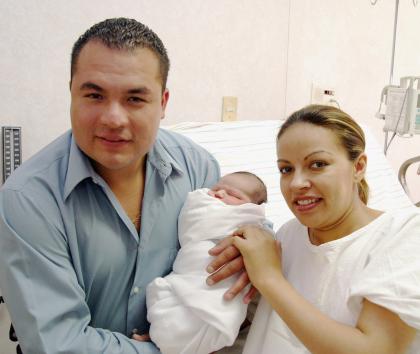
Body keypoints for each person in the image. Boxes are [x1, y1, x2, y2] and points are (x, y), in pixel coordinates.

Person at [0, 17, 230, 354]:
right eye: (94, 95)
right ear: (72, 94)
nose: (113, 119)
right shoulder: (28, 200)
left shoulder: (198, 168)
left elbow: (229, 248)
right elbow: (60, 345)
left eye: (135, 99)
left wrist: (251, 244)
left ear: (163, 103)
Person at [207, 105, 420, 354]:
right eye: (286, 169)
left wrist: (269, 277)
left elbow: (376, 348)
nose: (296, 183)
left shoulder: (403, 235)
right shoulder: (286, 236)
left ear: (358, 167)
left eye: (317, 164)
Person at [146, 171, 268, 354]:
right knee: (170, 302)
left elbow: (261, 235)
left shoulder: (250, 222)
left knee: (214, 308)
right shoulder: (201, 202)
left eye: (233, 195)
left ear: (252, 208)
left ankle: (189, 340)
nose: (219, 194)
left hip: (219, 282)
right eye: (217, 189)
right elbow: (192, 220)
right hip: (189, 269)